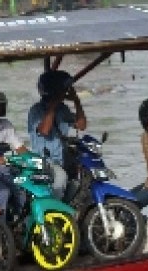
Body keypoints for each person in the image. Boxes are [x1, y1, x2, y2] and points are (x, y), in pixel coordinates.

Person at [27, 70, 87, 199]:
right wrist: (53, 104)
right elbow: (45, 130)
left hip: (61, 159)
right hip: (45, 161)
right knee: (60, 179)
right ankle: (54, 210)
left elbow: (81, 125)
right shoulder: (36, 110)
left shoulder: (63, 109)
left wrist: (76, 101)